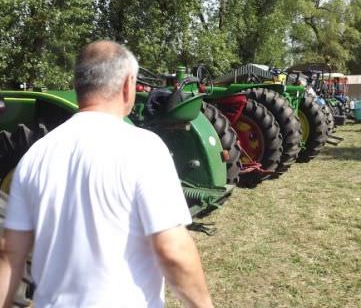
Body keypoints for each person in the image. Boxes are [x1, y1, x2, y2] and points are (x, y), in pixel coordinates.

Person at [0, 41, 213, 307]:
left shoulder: (34, 156)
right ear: (127, 85)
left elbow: (10, 256)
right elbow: (173, 251)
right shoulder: (144, 148)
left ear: (78, 86)